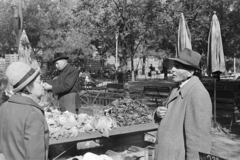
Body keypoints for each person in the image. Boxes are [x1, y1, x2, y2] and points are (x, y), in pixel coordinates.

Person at [154, 48, 212, 160]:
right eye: (174, 65)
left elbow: (198, 140)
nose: (172, 69)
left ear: (190, 72)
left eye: (178, 67)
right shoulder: (177, 86)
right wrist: (158, 113)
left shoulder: (198, 93)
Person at [0, 62, 49, 160]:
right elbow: (36, 156)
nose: (42, 85)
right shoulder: (33, 114)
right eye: (39, 81)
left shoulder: (4, 107)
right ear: (29, 88)